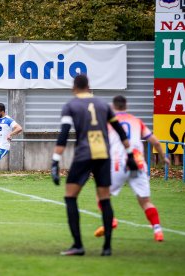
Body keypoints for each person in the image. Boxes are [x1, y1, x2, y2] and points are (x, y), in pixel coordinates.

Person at [51, 74, 139, 256]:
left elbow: (63, 135)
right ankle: (107, 248)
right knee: (105, 198)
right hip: (103, 154)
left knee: (70, 197)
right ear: (89, 86)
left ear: (74, 87)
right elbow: (120, 131)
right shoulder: (102, 105)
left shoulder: (70, 105)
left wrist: (55, 162)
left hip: (84, 154)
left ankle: (78, 245)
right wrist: (130, 155)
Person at [93, 95, 170, 242]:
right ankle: (158, 230)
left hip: (118, 162)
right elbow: (155, 141)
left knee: (101, 195)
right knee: (145, 201)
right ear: (126, 106)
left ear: (113, 107)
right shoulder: (137, 121)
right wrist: (163, 156)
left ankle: (111, 220)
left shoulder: (109, 122)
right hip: (138, 162)